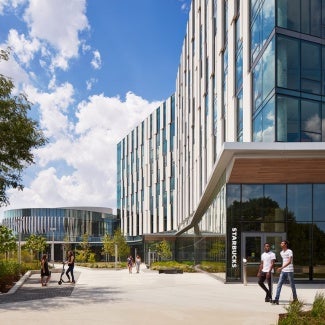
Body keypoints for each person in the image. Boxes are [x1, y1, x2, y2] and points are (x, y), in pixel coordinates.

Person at [273, 240, 298, 305]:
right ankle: (276, 299)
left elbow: (290, 261)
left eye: (282, 243)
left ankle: (295, 299)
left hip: (289, 271)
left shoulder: (289, 251)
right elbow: (284, 261)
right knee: (279, 284)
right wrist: (282, 269)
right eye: (281, 243)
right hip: (283, 271)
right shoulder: (281, 252)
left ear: (286, 245)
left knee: (292, 285)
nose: (281, 244)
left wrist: (281, 268)